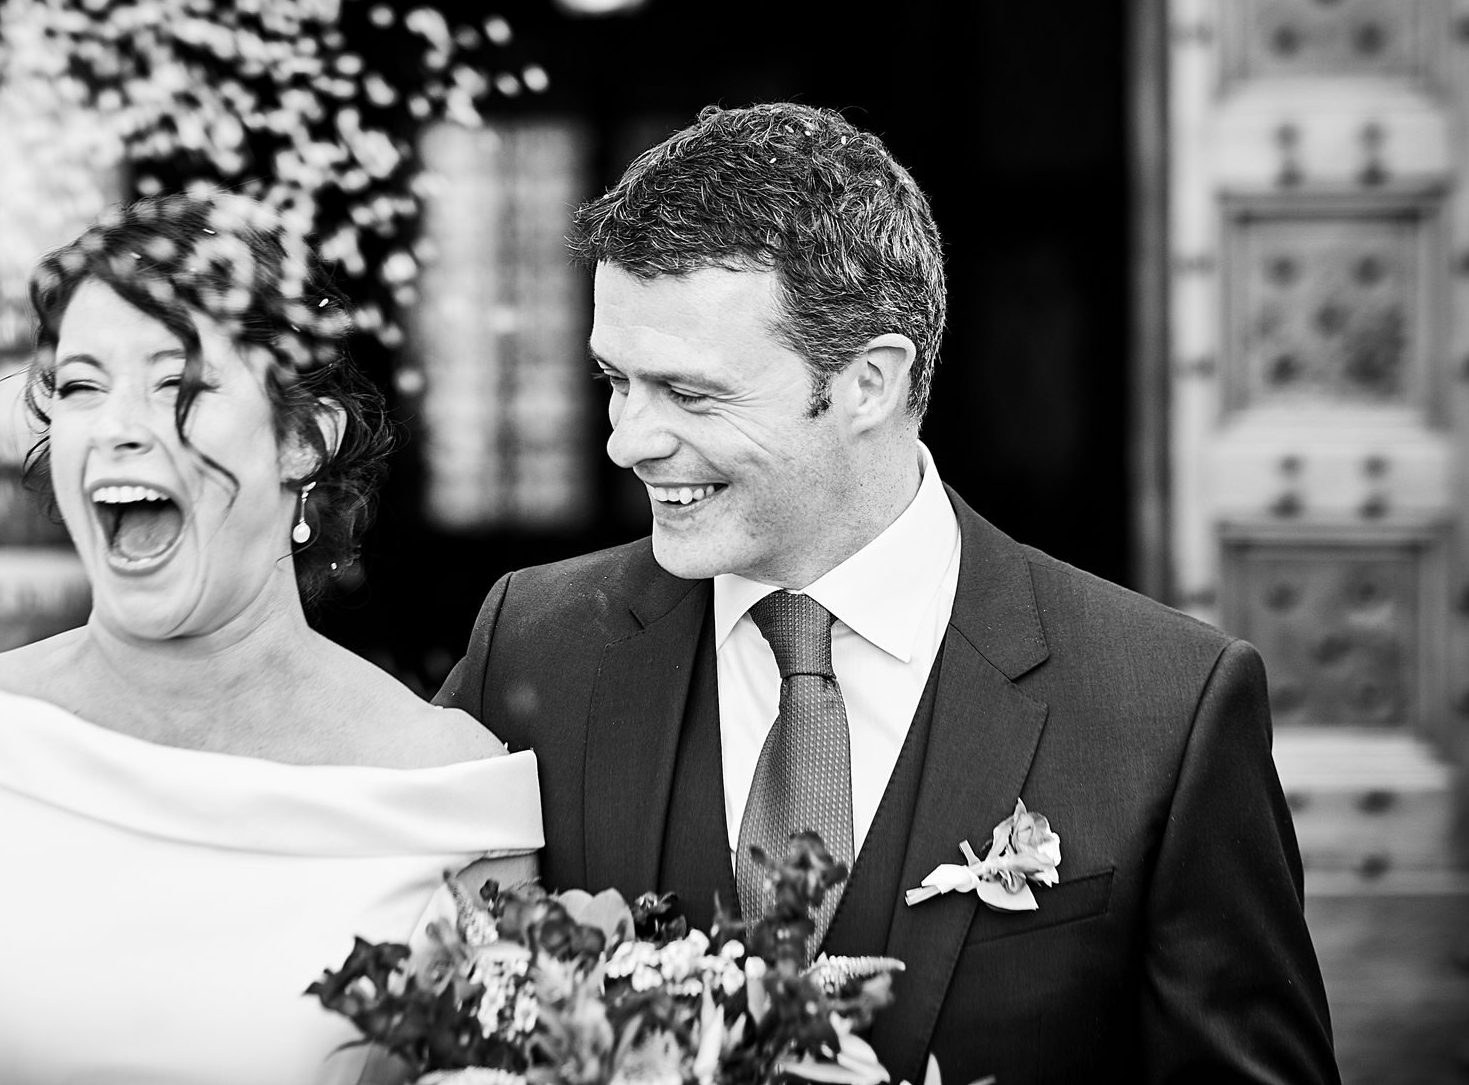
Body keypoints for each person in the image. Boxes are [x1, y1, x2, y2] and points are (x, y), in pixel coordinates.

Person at [438, 103, 1340, 1084]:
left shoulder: (1169, 710)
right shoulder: (532, 645)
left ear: (868, 383)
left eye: (690, 395)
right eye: (617, 381)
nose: (627, 440)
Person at [0, 194, 542, 1085]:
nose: (118, 426)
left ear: (302, 441)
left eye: (178, 385)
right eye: (82, 386)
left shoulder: (453, 800)